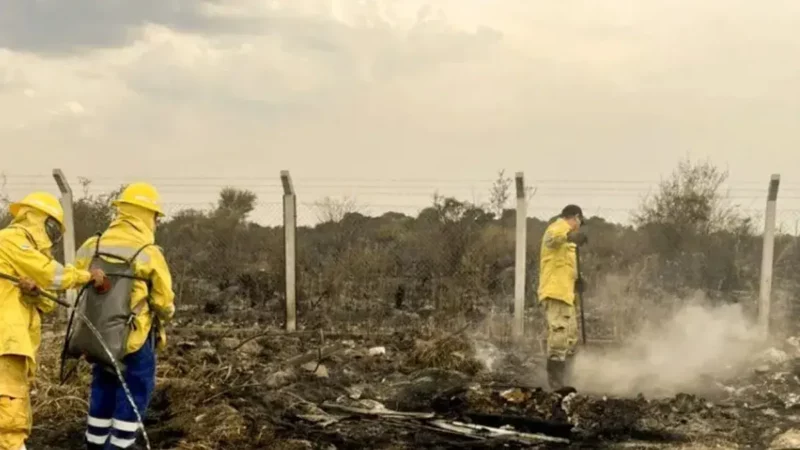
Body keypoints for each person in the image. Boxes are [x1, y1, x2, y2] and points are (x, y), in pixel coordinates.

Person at [0, 192, 106, 450]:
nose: (53, 236)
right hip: (6, 342)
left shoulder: (17, 258)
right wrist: (86, 276)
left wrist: (32, 293)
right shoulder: (11, 240)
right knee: (9, 410)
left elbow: (45, 301)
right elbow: (51, 275)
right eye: (53, 228)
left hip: (12, 341)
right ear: (40, 220)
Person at [74, 182, 175, 450]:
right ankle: (120, 446)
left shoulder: (92, 245)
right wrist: (165, 315)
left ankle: (94, 443)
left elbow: (76, 276)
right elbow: (164, 301)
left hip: (99, 336)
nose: (156, 222)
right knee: (136, 388)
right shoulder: (148, 253)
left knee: (104, 384)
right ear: (145, 215)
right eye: (155, 216)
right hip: (136, 336)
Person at [538, 204, 588, 390]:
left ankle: (568, 378)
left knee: (570, 337)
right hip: (555, 291)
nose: (579, 226)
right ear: (575, 217)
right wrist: (569, 236)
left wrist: (577, 281)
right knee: (559, 333)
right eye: (580, 222)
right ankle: (555, 382)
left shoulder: (569, 241)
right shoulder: (558, 228)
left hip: (567, 293)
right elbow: (553, 240)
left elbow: (565, 265)